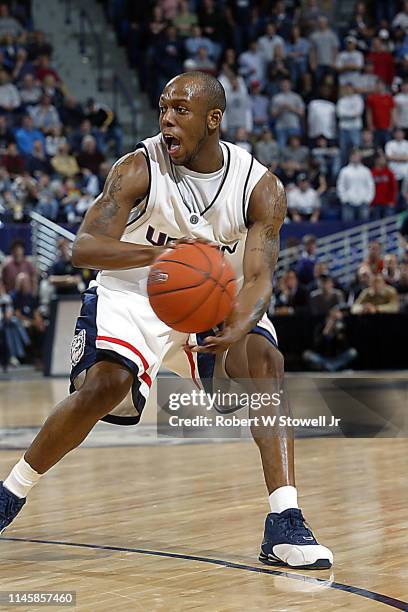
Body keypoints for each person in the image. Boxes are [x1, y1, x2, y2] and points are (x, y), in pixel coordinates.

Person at [0, 71, 332, 570]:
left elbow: (261, 277)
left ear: (212, 119)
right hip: (133, 293)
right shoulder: (138, 167)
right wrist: (162, 258)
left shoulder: (259, 186)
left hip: (211, 301)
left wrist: (240, 324)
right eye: (163, 108)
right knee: (105, 386)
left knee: (266, 362)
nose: (167, 119)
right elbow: (84, 247)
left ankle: (285, 522)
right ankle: (11, 493)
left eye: (180, 110)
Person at [336, 149, 375, 222]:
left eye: (357, 156)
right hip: (348, 202)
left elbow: (371, 186)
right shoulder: (344, 171)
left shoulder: (366, 171)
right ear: (350, 157)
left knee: (364, 226)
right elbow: (340, 186)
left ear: (360, 157)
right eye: (353, 156)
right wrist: (344, 199)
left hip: (363, 202)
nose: (355, 157)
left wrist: (368, 199)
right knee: (348, 228)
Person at [370, 153, 397, 219]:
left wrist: (392, 200)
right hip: (375, 203)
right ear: (376, 160)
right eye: (382, 159)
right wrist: (371, 203)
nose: (384, 161)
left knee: (389, 224)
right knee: (376, 225)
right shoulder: (371, 173)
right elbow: (369, 189)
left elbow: (393, 187)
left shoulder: (389, 172)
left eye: (384, 159)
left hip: (387, 202)